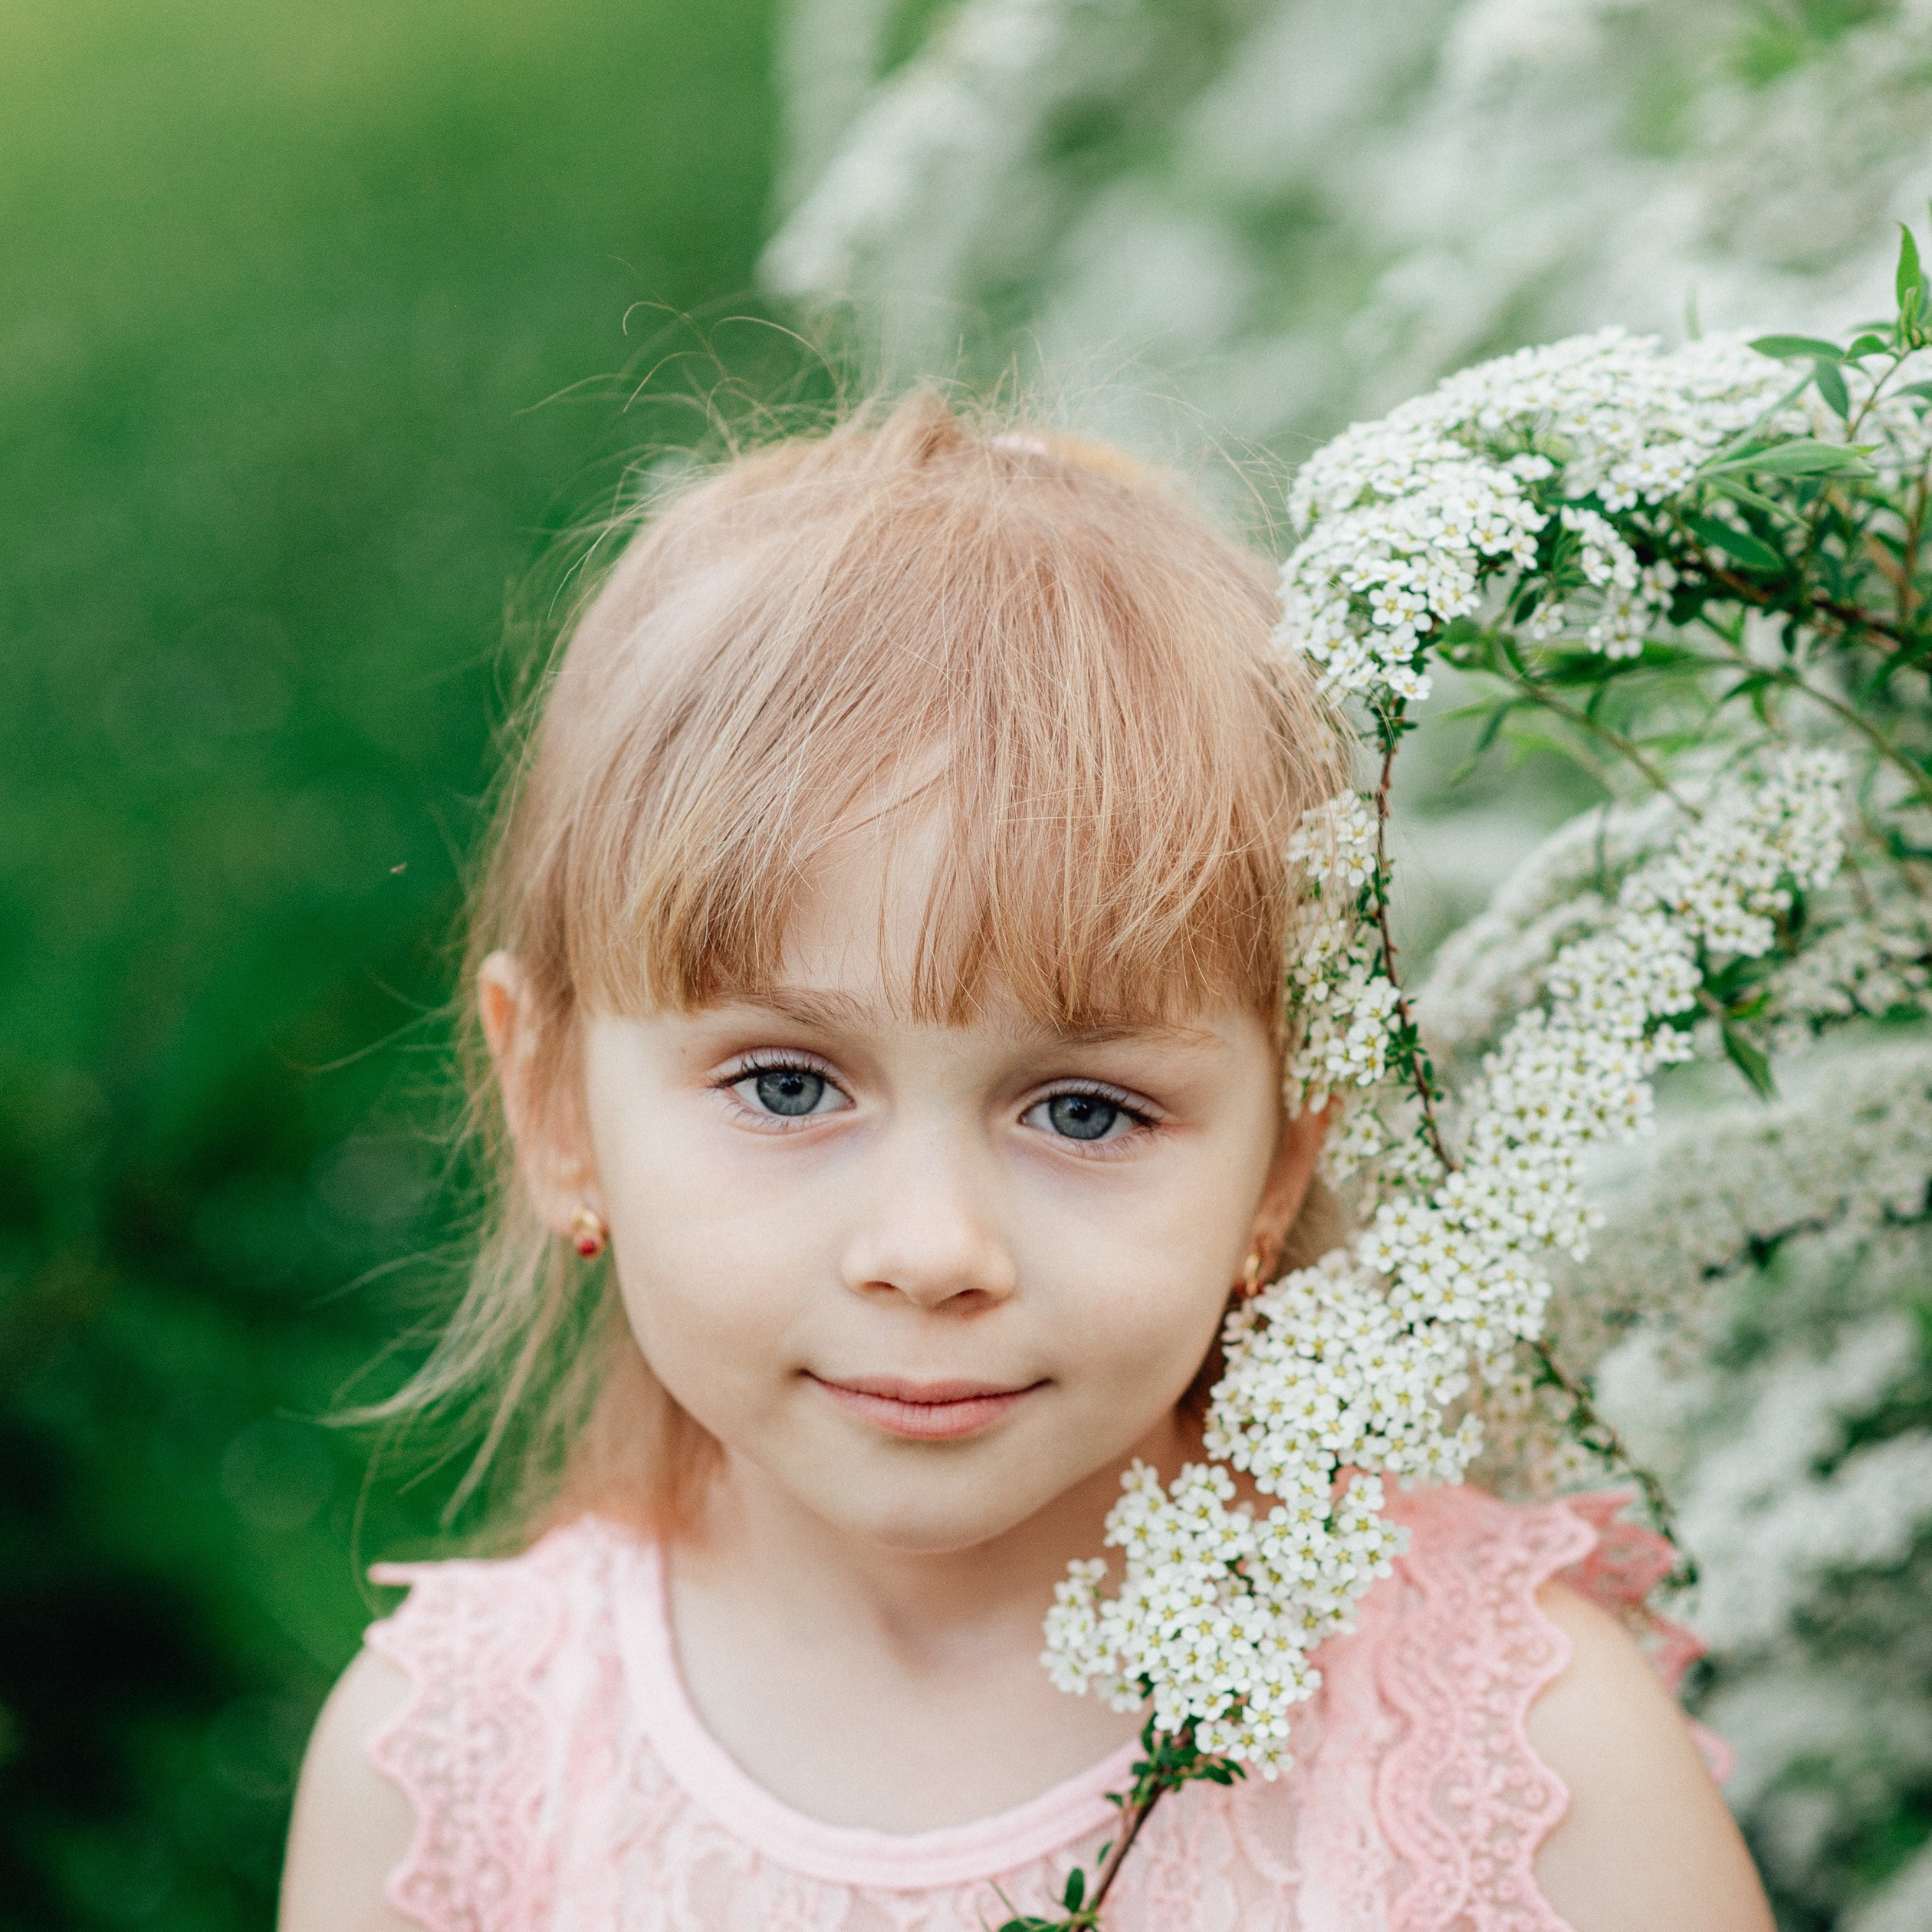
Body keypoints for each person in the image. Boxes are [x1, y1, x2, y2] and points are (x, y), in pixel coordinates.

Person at [278, 396, 1773, 1932]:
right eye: (788, 1082)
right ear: (558, 1111)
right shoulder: (456, 1779)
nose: (932, 1250)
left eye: (1083, 1111)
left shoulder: (1514, 1758)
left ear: (1279, 1161)